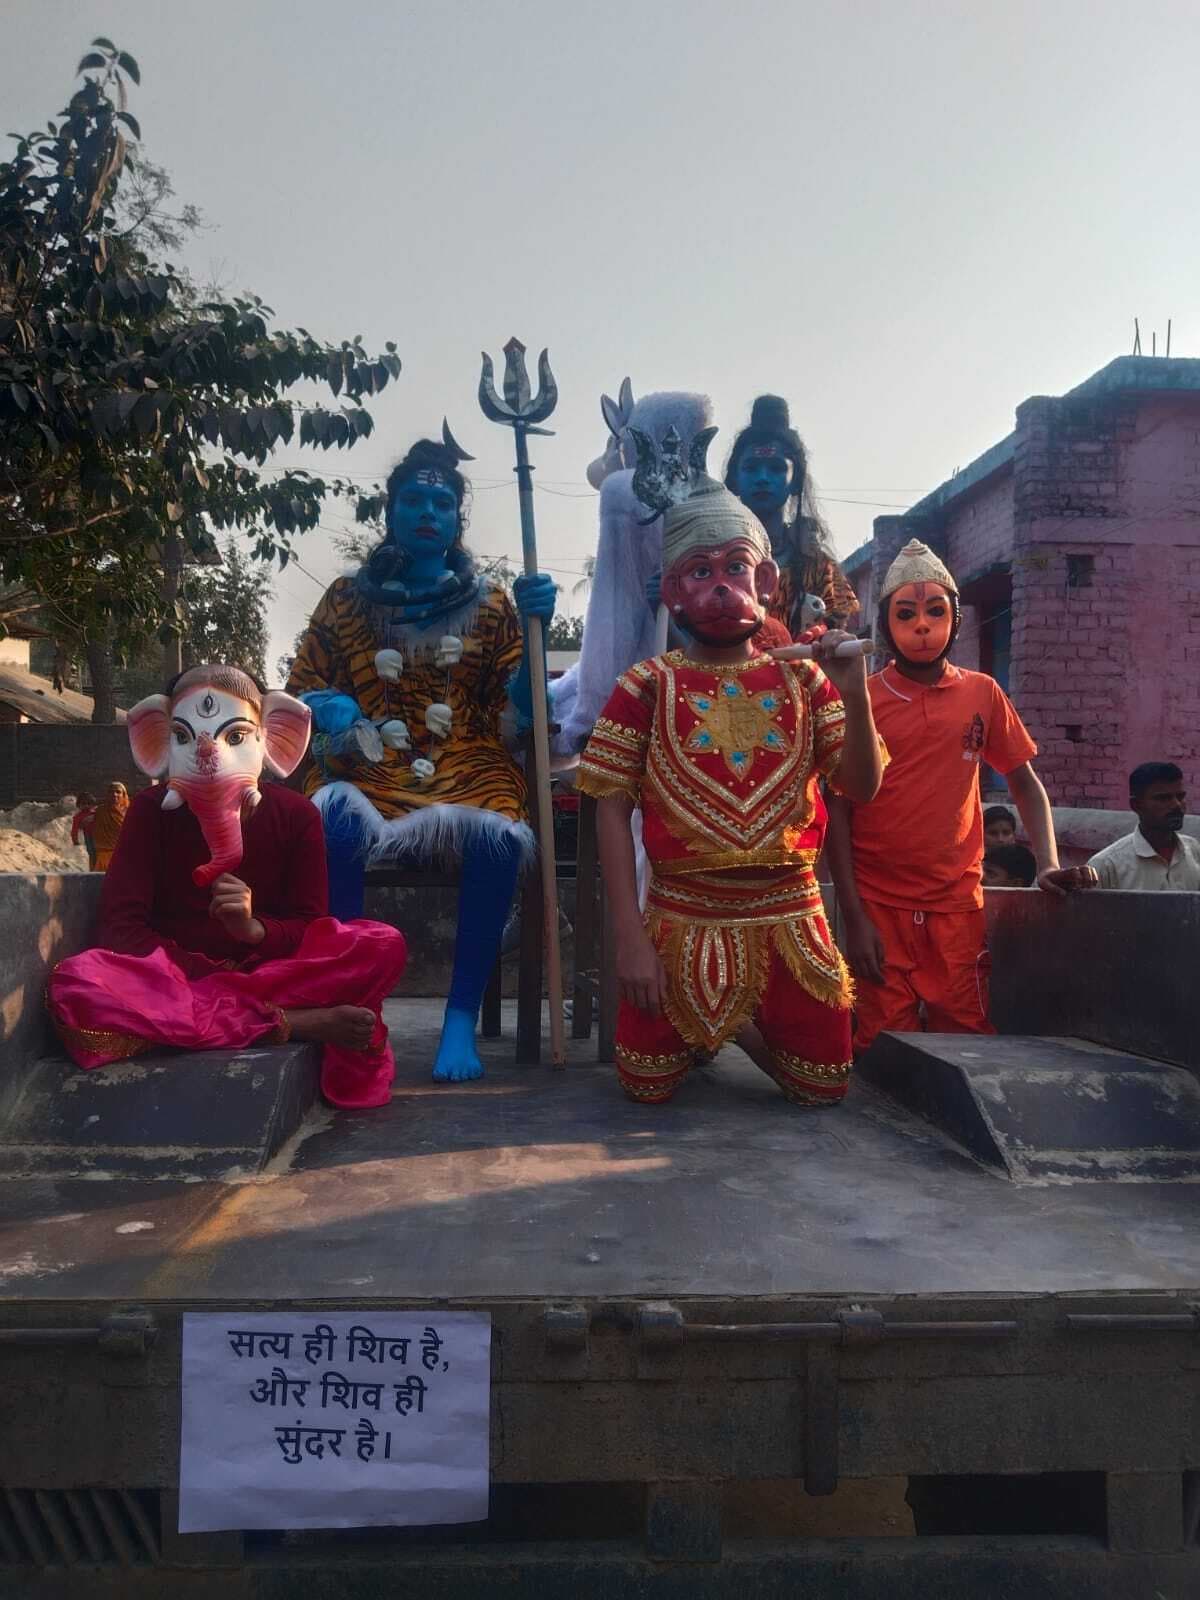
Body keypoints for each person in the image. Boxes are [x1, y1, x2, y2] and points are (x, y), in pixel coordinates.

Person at [578, 433, 883, 1107]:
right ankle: (716, 1029)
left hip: (792, 916)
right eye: (699, 573)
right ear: (672, 594)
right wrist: (629, 940)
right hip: (678, 918)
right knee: (645, 1085)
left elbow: (860, 787)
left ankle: (731, 1031)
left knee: (823, 1087)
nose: (719, 589)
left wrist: (854, 690)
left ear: (766, 583)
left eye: (735, 570)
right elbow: (608, 807)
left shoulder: (806, 680)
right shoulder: (646, 685)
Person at [286, 432, 556, 1084]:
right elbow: (299, 692)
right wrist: (333, 709)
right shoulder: (348, 598)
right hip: (375, 756)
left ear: (458, 518)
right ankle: (357, 1012)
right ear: (392, 511)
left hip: (467, 755)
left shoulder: (492, 603)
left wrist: (534, 628)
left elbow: (519, 708)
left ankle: (460, 1019)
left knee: (499, 829)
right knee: (331, 821)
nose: (428, 512)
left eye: (441, 502)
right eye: (414, 500)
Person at [47, 665, 408, 1109]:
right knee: (76, 982)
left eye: (234, 736)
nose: (208, 754)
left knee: (382, 943)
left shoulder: (296, 816)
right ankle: (291, 1024)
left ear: (273, 737)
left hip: (272, 976)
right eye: (186, 736)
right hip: (179, 980)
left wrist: (254, 930)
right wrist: (210, 979)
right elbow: (121, 931)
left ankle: (231, 1018)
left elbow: (310, 925)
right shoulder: (147, 812)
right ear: (158, 740)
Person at [825, 540, 1091, 1055]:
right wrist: (852, 917)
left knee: (966, 1042)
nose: (921, 625)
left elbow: (1024, 782)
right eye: (906, 613)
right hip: (878, 906)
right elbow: (837, 807)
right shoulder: (862, 698)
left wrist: (1047, 863)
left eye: (935, 611)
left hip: (957, 906)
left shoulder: (983, 693)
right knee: (881, 1045)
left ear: (955, 621)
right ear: (886, 625)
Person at [725, 394, 858, 635]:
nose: (763, 478)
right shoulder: (712, 558)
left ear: (795, 481)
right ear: (733, 479)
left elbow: (835, 640)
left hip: (796, 672)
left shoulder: (817, 566)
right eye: (751, 468)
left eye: (776, 468)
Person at [1087, 763, 1200, 890]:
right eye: (1163, 798)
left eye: (1180, 797)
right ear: (1136, 805)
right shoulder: (1107, 866)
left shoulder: (1194, 851)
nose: (1177, 805)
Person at [90, 781, 129, 871]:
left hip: (123, 856)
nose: (114, 794)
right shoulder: (100, 811)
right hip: (103, 856)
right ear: (107, 795)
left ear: (124, 795)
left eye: (118, 792)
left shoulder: (130, 812)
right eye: (111, 792)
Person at [71, 789, 98, 869]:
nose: (86, 806)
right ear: (78, 805)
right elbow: (74, 830)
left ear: (93, 804)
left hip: (99, 835)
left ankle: (98, 867)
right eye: (83, 804)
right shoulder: (78, 817)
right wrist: (75, 841)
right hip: (88, 835)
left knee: (98, 852)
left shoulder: (97, 813)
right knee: (91, 853)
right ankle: (93, 868)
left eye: (89, 803)